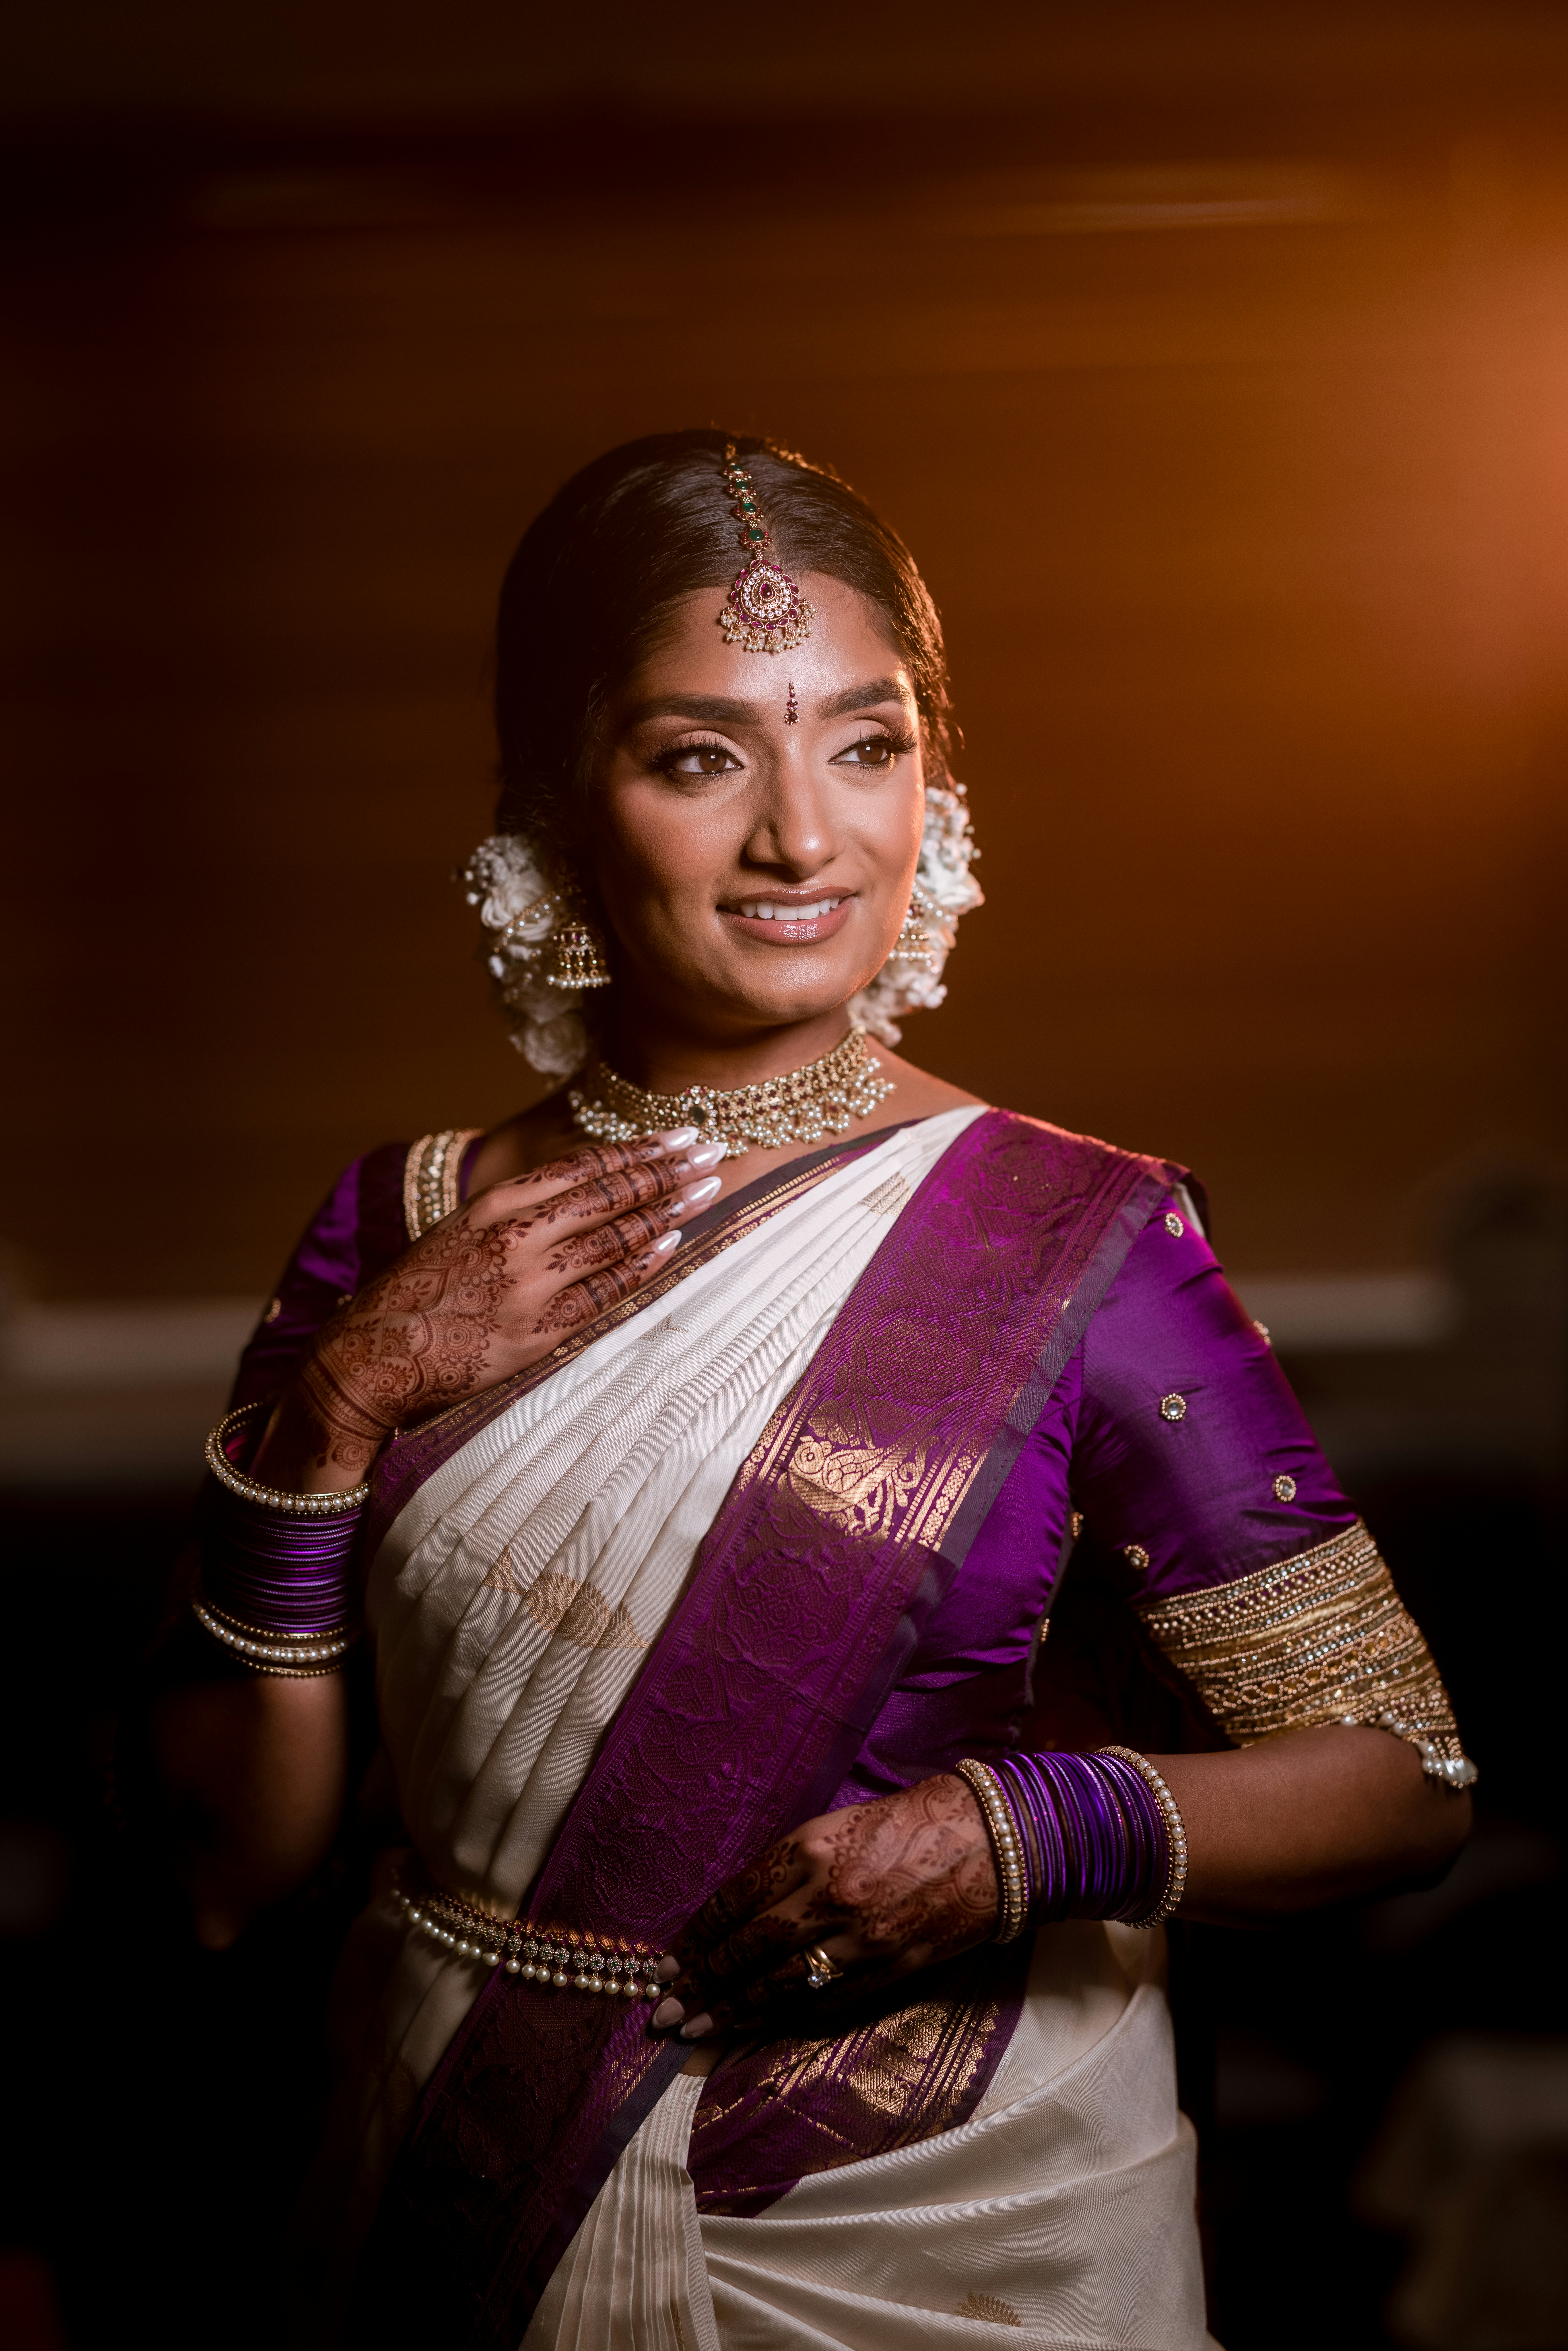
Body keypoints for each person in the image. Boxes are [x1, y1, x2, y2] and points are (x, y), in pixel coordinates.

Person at [148, 430, 1474, 2351]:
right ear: (553, 807)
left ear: (933, 787)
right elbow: (226, 1878)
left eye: (864, 745)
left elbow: (1396, 1780)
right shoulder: (400, 1226)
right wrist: (341, 1403)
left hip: (938, 2241)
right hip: (446, 2177)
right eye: (701, 757)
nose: (802, 837)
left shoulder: (1075, 1239)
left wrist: (1022, 1833)